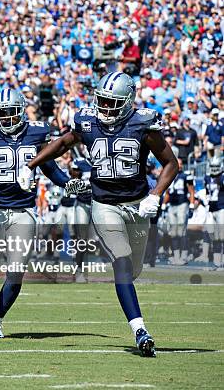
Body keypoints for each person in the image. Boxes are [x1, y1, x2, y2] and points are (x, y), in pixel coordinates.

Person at [27, 72, 179, 357]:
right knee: (121, 263)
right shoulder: (88, 121)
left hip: (136, 206)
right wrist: (32, 164)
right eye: (103, 102)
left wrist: (155, 194)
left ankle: (135, 317)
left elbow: (171, 164)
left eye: (113, 103)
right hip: (104, 204)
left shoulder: (143, 124)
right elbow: (62, 143)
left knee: (132, 270)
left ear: (127, 102)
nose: (106, 109)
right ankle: (140, 330)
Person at [0, 88, 72, 339]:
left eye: (11, 114)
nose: (6, 120)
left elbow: (51, 169)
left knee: (16, 269)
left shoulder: (36, 133)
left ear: (21, 112)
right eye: (1, 114)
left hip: (24, 210)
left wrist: (68, 184)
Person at [163, 159, 195, 264]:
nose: (179, 165)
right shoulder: (169, 175)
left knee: (182, 231)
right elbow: (167, 192)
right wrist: (164, 203)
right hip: (172, 205)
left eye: (180, 163)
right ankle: (176, 257)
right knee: (173, 232)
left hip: (182, 204)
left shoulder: (186, 175)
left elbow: (191, 191)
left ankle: (184, 256)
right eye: (177, 163)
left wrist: (191, 204)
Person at [205, 158, 223, 268]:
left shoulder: (222, 177)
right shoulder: (207, 177)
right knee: (214, 235)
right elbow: (207, 191)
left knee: (222, 236)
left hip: (221, 207)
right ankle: (217, 262)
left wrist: (218, 177)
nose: (214, 169)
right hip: (212, 208)